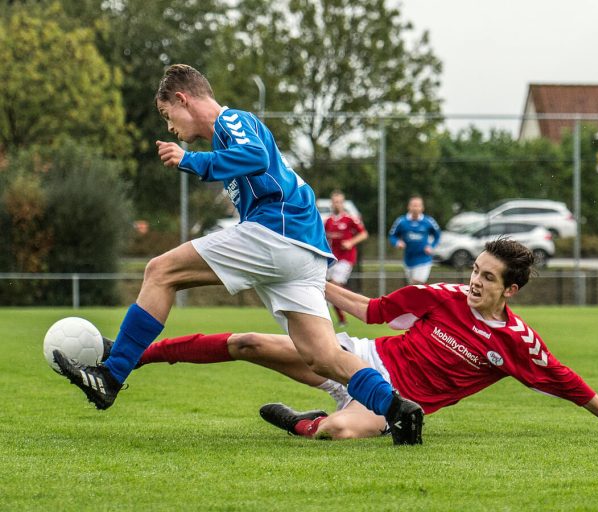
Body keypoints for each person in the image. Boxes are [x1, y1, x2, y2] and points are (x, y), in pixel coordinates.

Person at [52, 63, 423, 445]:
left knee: (161, 271)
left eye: (167, 114)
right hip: (303, 251)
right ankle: (398, 409)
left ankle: (111, 375)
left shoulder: (232, 121)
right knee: (324, 357)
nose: (169, 127)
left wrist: (189, 160)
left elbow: (255, 157)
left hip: (279, 232)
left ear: (183, 99)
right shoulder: (225, 138)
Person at [128, 239, 598, 439]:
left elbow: (567, 382)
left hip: (395, 403)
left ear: (510, 290)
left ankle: (303, 423)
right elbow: (373, 311)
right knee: (247, 343)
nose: (474, 281)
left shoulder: (517, 342)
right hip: (357, 360)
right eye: (475, 270)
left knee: (340, 432)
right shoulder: (440, 295)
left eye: (487, 278)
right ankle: (134, 355)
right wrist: (311, 281)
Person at [324, 190, 368, 326]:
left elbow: (364, 234)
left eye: (339, 202)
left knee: (333, 286)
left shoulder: (349, 219)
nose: (337, 204)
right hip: (333, 259)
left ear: (343, 203)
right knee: (333, 290)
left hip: (346, 259)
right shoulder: (328, 221)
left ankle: (360, 304)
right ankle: (342, 319)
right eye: (334, 202)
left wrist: (351, 242)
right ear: (331, 203)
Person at [388, 195, 441, 285]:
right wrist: (397, 242)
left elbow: (438, 235)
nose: (415, 208)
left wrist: (431, 246)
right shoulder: (401, 221)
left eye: (418, 205)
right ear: (409, 207)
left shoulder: (428, 221)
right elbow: (392, 235)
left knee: (417, 283)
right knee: (412, 285)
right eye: (413, 205)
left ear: (422, 208)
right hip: (408, 259)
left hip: (424, 258)